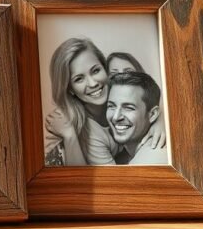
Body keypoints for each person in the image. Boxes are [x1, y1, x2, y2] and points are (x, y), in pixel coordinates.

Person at [43, 38, 118, 166]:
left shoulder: (122, 92)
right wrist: (70, 136)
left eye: (95, 71)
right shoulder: (63, 122)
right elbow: (76, 181)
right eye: (79, 79)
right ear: (69, 89)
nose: (93, 83)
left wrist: (160, 123)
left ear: (105, 69)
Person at [106, 71, 165, 165]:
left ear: (153, 114)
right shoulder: (126, 155)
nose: (116, 117)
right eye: (111, 106)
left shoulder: (151, 158)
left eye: (128, 108)